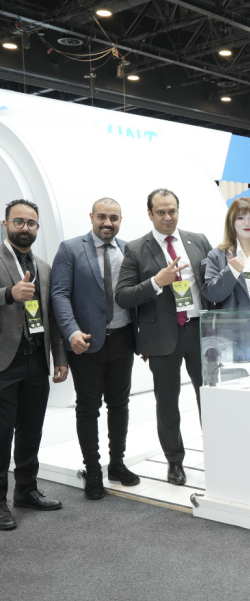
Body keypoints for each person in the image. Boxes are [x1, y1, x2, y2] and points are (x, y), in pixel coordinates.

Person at [115, 188, 212, 486]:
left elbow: (211, 284)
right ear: (150, 214)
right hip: (161, 336)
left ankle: (218, 453)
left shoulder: (198, 240)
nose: (167, 217)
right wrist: (156, 282)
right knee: (167, 402)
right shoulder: (135, 248)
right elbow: (123, 296)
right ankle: (175, 461)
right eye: (160, 212)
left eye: (172, 211)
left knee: (209, 397)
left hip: (199, 330)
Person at [50, 197, 139, 501]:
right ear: (91, 217)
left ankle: (116, 464)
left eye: (113, 218)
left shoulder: (128, 250)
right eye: (102, 217)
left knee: (120, 404)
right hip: (85, 342)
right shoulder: (70, 249)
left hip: (123, 339)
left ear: (120, 220)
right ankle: (93, 469)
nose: (107, 223)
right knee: (88, 407)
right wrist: (71, 331)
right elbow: (59, 294)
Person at [0, 199, 68, 530]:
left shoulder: (44, 266)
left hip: (37, 361)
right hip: (4, 363)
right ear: (5, 224)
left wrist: (60, 357)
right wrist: (9, 294)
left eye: (30, 223)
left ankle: (26, 491)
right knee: (1, 436)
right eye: (18, 222)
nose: (24, 228)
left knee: (31, 431)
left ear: (37, 227)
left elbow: (51, 316)